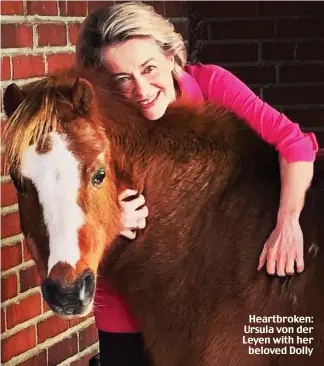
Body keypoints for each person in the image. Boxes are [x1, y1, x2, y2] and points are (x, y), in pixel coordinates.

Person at [76, 2, 319, 365]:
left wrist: (288, 223)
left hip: (202, 275)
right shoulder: (101, 119)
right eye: (122, 79)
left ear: (171, 57)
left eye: (148, 68)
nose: (141, 89)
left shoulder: (210, 83)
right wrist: (110, 218)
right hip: (130, 289)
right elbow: (73, 203)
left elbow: (294, 143)